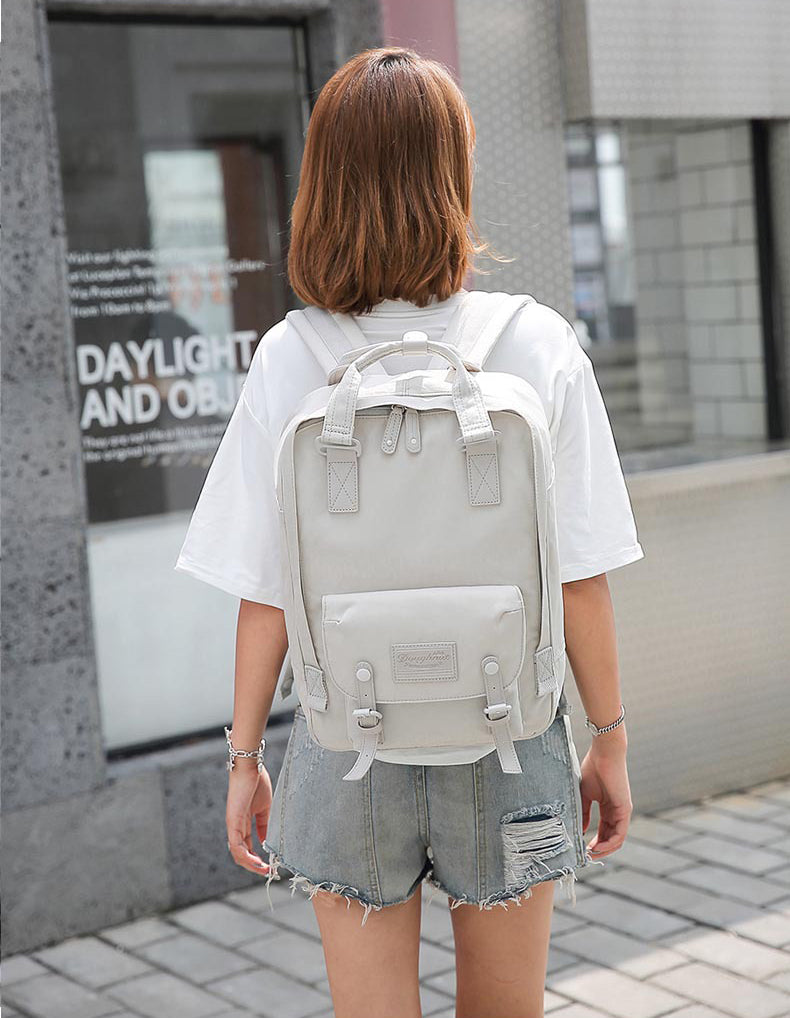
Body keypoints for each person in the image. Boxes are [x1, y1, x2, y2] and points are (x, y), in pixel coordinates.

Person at [174, 46, 644, 1018]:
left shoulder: (289, 355)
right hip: (509, 732)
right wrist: (608, 739)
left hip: (345, 742)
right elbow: (579, 579)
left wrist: (244, 757)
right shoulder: (536, 341)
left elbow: (266, 590)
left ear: (324, 182)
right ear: (453, 176)